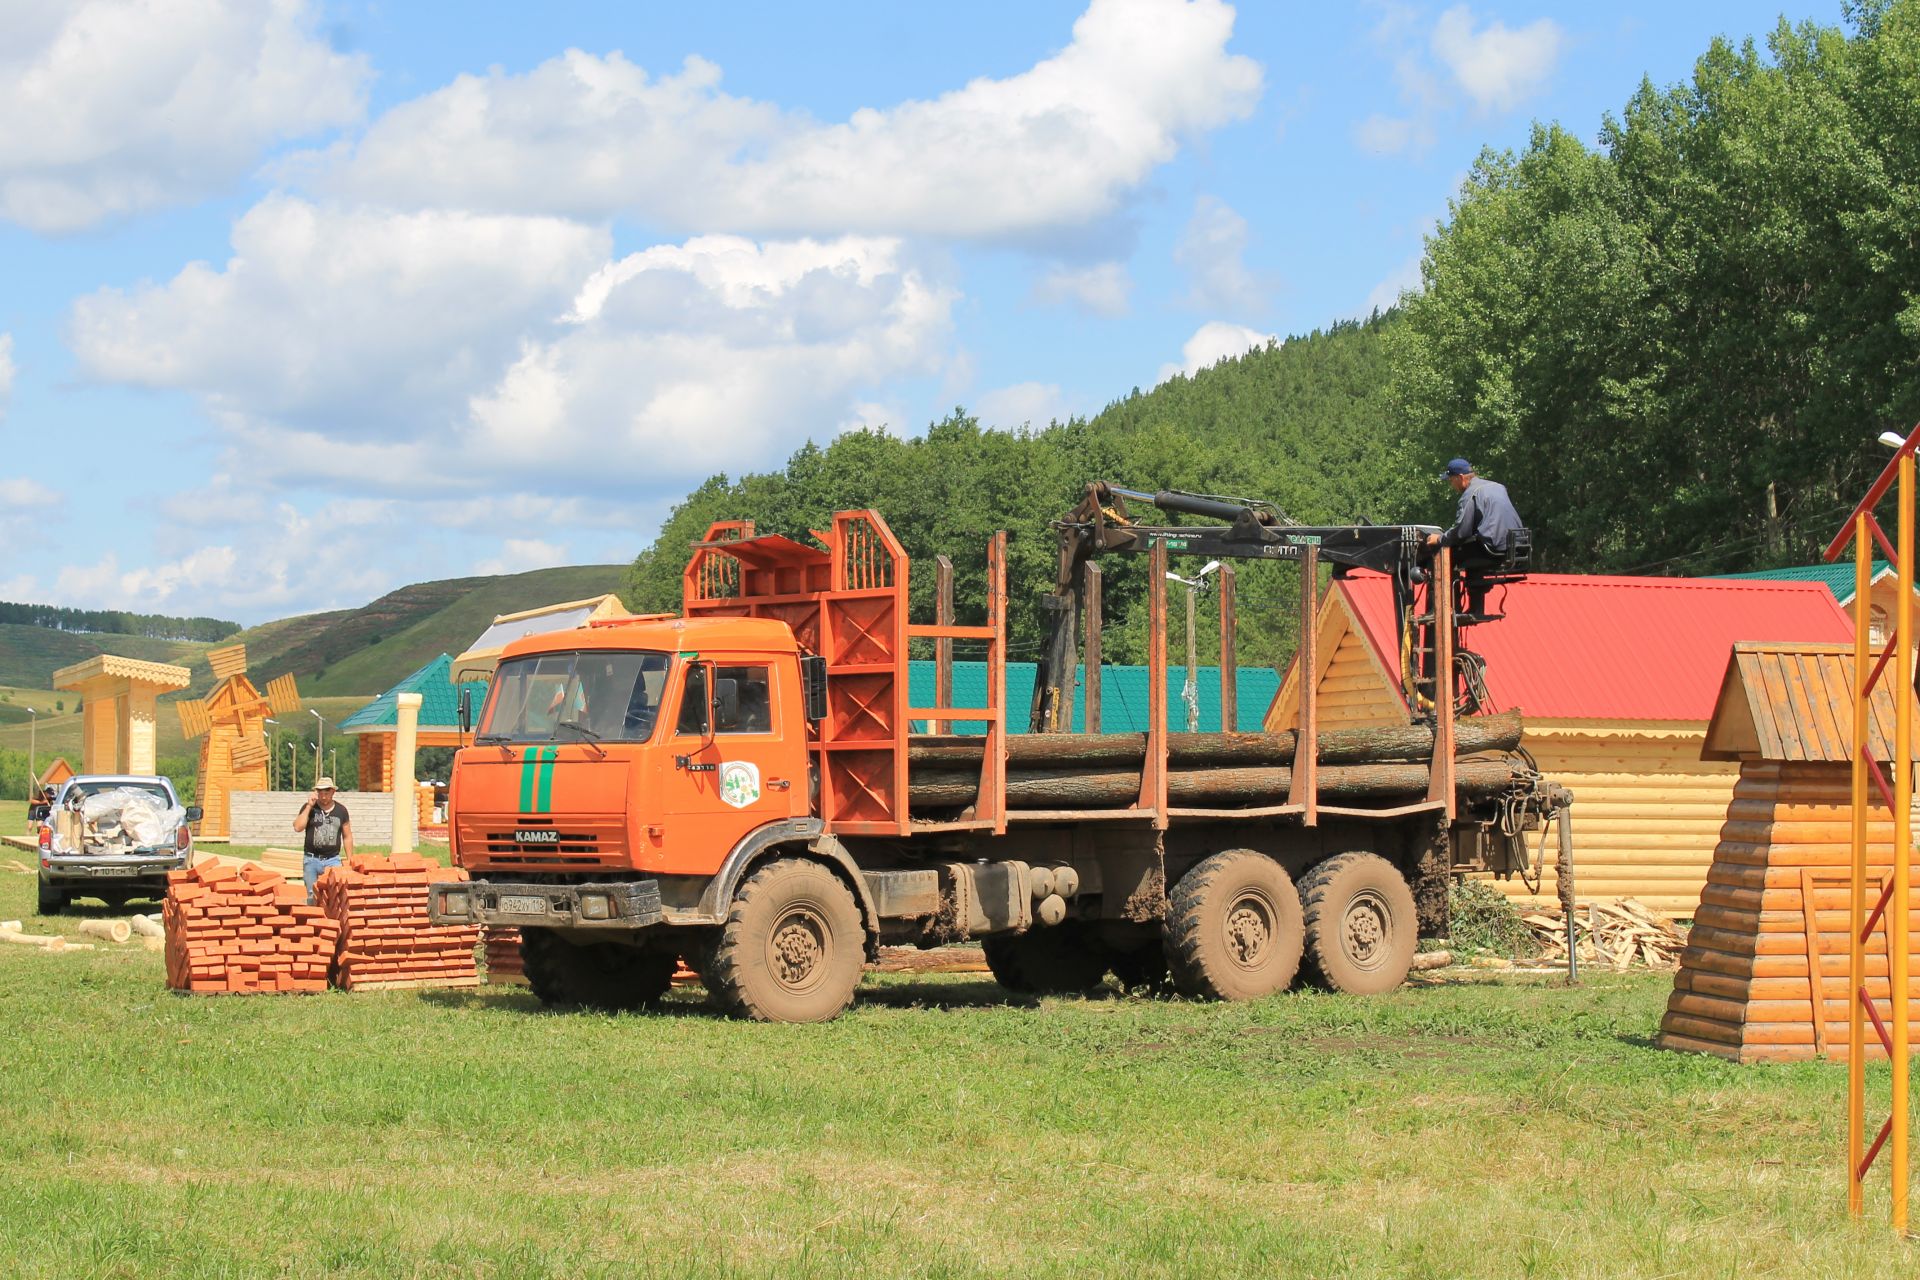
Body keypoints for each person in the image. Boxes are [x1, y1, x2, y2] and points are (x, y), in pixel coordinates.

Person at [1424, 458, 1524, 618]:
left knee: (1444, 555)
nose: (1452, 485)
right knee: (1471, 549)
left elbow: (1461, 531)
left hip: (1492, 549)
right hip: (1514, 549)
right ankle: (1475, 608)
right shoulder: (1497, 487)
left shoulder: (1470, 494)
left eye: (1451, 480)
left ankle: (1446, 609)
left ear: (1461, 478)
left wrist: (1440, 539)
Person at [294, 777, 354, 902]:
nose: (324, 796)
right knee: (311, 895)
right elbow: (298, 827)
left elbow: (347, 836)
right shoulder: (310, 808)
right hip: (311, 859)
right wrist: (309, 806)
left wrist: (349, 859)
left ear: (333, 792)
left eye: (327, 793)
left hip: (332, 860)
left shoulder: (341, 810)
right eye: (320, 793)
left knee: (335, 894)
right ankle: (314, 919)